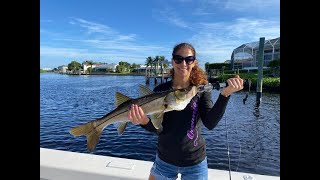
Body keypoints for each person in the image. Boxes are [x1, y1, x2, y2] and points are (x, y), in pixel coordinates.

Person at [127, 42, 243, 180]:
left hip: (195, 163)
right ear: (172, 61)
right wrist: (144, 121)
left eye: (189, 59)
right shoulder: (160, 91)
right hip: (164, 161)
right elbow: (159, 130)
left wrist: (225, 95)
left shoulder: (200, 89)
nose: (183, 63)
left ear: (194, 62)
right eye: (178, 59)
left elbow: (210, 123)